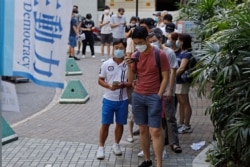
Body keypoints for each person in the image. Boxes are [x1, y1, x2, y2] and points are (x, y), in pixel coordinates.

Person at [126, 26, 170, 167]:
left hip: (154, 96)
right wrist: (128, 66)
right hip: (138, 95)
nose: (138, 45)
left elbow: (165, 77)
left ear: (147, 39)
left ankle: (159, 164)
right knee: (143, 129)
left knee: (155, 130)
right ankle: (147, 160)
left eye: (140, 42)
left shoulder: (160, 54)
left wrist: (159, 95)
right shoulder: (135, 56)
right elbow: (131, 79)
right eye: (135, 43)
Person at [96, 39, 132, 160]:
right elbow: (100, 80)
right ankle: (101, 147)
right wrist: (109, 86)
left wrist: (124, 84)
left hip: (123, 99)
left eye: (121, 48)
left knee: (120, 123)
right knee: (105, 124)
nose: (118, 50)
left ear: (125, 49)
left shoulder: (128, 65)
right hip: (108, 99)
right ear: (113, 48)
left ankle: (116, 144)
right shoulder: (106, 64)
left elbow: (132, 82)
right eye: (116, 48)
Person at [148, 28, 182, 154]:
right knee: (158, 118)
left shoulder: (169, 53)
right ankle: (164, 140)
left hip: (167, 91)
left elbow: (173, 72)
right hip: (155, 91)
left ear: (160, 39)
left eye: (154, 41)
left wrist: (170, 91)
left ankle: (174, 143)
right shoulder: (151, 52)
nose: (152, 43)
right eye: (150, 41)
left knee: (170, 117)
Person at [175, 33, 193, 134]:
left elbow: (182, 68)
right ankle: (181, 123)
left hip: (182, 81)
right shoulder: (180, 52)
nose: (178, 41)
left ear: (182, 41)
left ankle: (187, 125)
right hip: (178, 81)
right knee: (181, 103)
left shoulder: (186, 54)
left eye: (179, 39)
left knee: (185, 102)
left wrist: (172, 77)